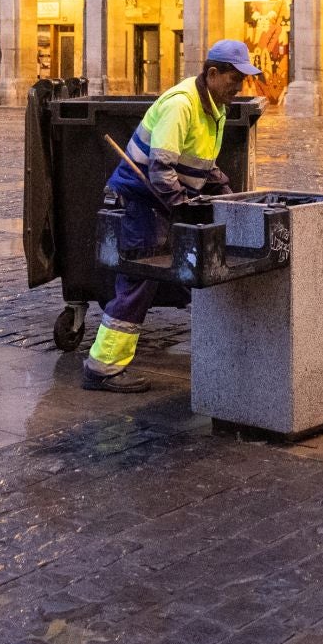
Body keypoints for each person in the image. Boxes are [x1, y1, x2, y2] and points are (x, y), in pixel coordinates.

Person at [81, 40, 259, 393]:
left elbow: (200, 162)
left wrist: (225, 189)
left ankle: (223, 350)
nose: (239, 87)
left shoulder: (213, 106)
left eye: (242, 80)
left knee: (183, 274)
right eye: (234, 78)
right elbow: (161, 169)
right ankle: (103, 368)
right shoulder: (182, 105)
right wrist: (181, 204)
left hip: (160, 200)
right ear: (212, 73)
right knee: (137, 281)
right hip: (143, 202)